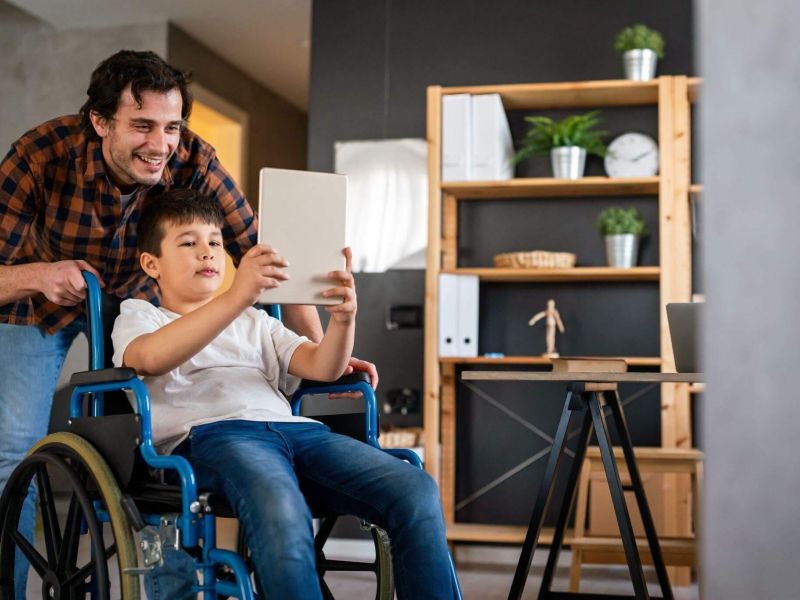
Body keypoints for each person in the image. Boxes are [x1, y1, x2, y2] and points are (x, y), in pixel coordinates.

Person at [0, 49, 376, 597]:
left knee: (142, 440)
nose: (160, 144)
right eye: (142, 126)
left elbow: (273, 259)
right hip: (40, 298)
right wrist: (38, 274)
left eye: (171, 126)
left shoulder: (194, 158)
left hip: (140, 306)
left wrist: (320, 358)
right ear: (100, 122)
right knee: (13, 448)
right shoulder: (40, 155)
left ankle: (167, 580)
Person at [110, 189, 455, 599]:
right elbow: (146, 359)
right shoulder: (140, 315)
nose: (207, 253)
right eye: (189, 243)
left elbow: (322, 366)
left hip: (299, 433)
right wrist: (238, 295)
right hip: (215, 436)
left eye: (216, 244)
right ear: (152, 264)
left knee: (414, 489)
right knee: (278, 501)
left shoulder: (257, 322)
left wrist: (343, 320)